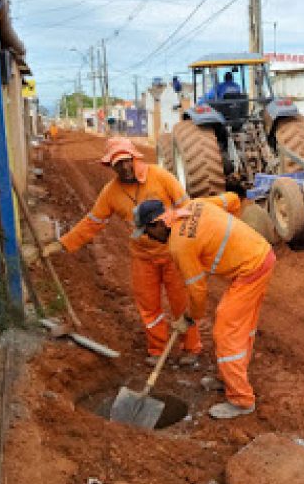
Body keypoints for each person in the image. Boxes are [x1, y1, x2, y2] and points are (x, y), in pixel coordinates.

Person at [43, 137, 202, 365]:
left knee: (181, 303)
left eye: (127, 161)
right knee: (149, 307)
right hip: (142, 257)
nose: (125, 168)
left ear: (135, 158)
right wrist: (62, 243)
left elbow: (187, 208)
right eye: (118, 164)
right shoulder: (110, 193)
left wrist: (190, 244)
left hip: (173, 253)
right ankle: (157, 351)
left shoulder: (161, 176)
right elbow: (93, 222)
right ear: (110, 166)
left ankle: (191, 349)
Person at [132, 193, 275, 419]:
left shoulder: (179, 245)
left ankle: (241, 400)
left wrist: (190, 318)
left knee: (225, 331)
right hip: (258, 256)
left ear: (157, 224)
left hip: (252, 268)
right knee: (237, 325)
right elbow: (231, 199)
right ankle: (228, 378)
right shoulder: (193, 205)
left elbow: (198, 292)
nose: (149, 238)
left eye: (148, 232)